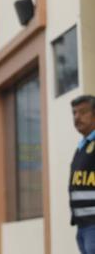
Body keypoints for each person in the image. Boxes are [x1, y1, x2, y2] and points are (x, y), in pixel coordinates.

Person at [69, 95, 95, 254]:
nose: (77, 117)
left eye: (83, 112)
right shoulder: (82, 146)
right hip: (82, 226)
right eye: (74, 113)